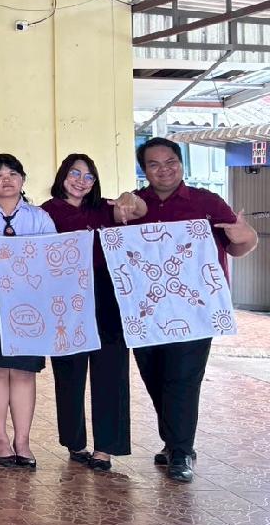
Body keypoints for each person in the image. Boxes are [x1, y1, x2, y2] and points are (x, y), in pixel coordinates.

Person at [130, 137, 258, 483]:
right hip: (146, 311)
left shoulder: (207, 202)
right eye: (154, 164)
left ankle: (182, 450)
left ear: (181, 163)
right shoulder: (135, 206)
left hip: (196, 310)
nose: (164, 170)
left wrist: (246, 236)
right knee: (154, 376)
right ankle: (173, 441)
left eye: (170, 162)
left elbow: (239, 245)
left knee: (183, 378)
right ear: (144, 171)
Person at [41, 153, 146, 472]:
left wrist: (129, 198)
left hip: (108, 296)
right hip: (65, 297)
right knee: (69, 372)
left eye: (88, 176)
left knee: (111, 372)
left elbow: (139, 211)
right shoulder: (46, 212)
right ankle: (75, 442)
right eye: (75, 173)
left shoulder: (105, 208)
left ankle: (105, 448)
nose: (81, 181)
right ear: (63, 175)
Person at [0, 153, 56, 471]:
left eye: (13, 174)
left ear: (23, 179)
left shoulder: (39, 217)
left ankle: (23, 441)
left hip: (29, 294)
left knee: (23, 370)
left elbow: (54, 258)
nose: (7, 180)